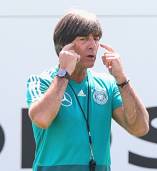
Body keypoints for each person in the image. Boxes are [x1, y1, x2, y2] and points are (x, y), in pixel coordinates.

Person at [26, 9, 149, 171]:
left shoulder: (108, 84)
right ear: (65, 47)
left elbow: (140, 128)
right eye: (84, 39)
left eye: (96, 39)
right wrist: (63, 74)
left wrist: (121, 79)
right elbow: (41, 118)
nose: (93, 45)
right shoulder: (41, 81)